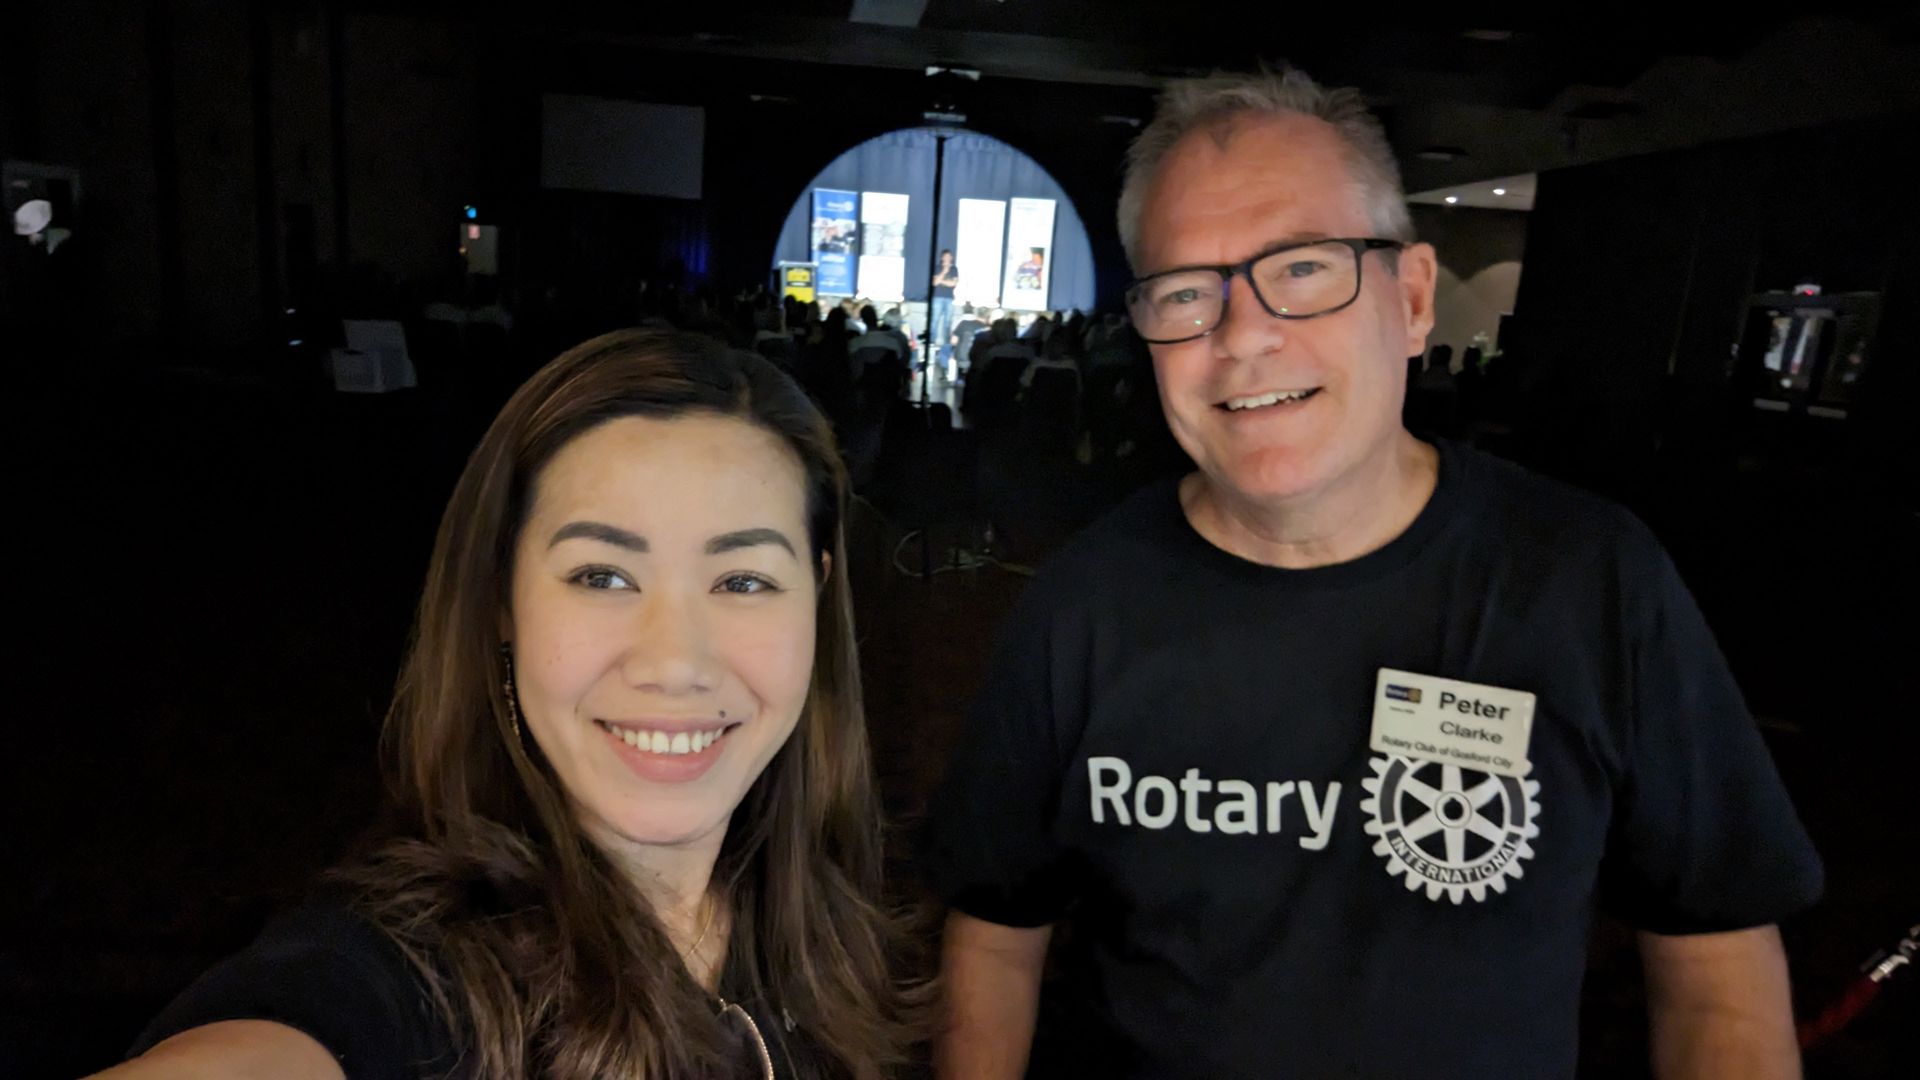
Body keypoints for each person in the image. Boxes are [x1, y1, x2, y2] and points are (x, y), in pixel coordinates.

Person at [926, 68, 1820, 1079]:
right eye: (1186, 292)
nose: (1244, 335)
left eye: (1303, 269)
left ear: (1413, 298)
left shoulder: (1588, 580)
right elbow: (996, 935)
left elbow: (1717, 960)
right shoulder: (1080, 603)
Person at [99, 331, 919, 1079]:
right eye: (602, 576)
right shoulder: (401, 984)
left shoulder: (824, 917)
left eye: (743, 581)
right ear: (502, 601)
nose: (675, 664)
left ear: (815, 595)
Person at [930, 249, 961, 375]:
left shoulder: (955, 269)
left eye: (949, 256)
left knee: (947, 323)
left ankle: (946, 346)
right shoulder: (937, 268)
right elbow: (935, 282)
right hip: (937, 297)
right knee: (934, 322)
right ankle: (931, 344)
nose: (948, 258)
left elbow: (953, 284)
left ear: (952, 258)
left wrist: (941, 281)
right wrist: (944, 272)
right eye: (945, 256)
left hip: (949, 299)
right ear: (942, 258)